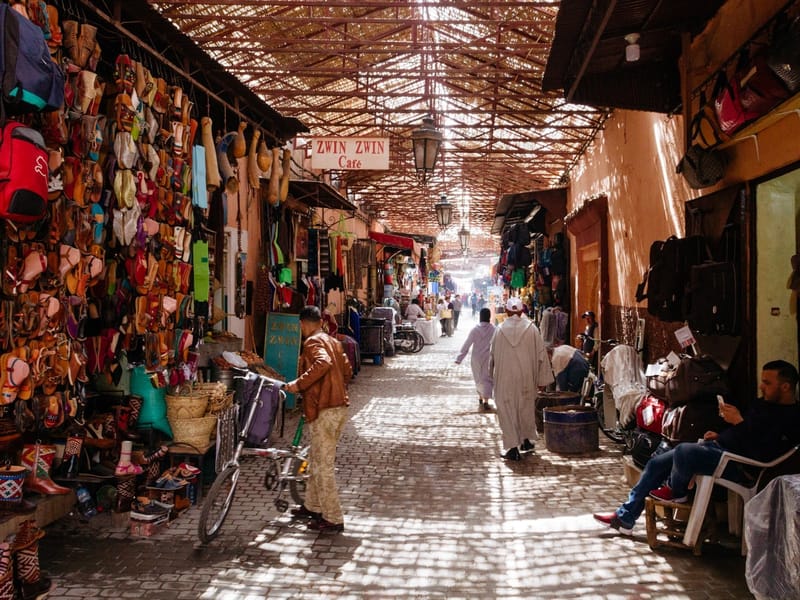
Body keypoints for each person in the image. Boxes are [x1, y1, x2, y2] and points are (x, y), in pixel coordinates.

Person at [593, 360, 800, 535]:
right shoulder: (763, 404)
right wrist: (722, 435)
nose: (762, 387)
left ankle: (677, 491)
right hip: (722, 450)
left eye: (767, 383)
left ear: (785, 387)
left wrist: (738, 422)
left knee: (684, 451)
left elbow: (763, 450)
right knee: (656, 462)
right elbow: (747, 433)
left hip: (740, 465)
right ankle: (625, 518)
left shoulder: (791, 418)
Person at [284, 306, 353, 533]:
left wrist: (299, 384)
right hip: (337, 407)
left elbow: (323, 364)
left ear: (304, 323)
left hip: (326, 409)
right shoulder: (332, 341)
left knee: (323, 466)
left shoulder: (313, 342)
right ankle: (312, 506)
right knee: (315, 459)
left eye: (300, 326)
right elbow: (347, 371)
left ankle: (333, 518)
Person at [490, 297, 554, 461]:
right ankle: (527, 440)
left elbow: (492, 357)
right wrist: (542, 380)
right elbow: (542, 356)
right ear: (520, 311)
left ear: (507, 312)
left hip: (505, 379)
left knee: (507, 411)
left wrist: (492, 376)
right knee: (525, 408)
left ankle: (512, 447)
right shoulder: (532, 329)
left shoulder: (499, 330)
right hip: (526, 378)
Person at [455, 308, 495, 411]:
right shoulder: (494, 329)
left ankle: (481, 397)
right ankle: (486, 399)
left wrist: (459, 358)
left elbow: (467, 344)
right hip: (488, 357)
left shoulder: (475, 329)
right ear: (489, 317)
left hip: (476, 358)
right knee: (487, 378)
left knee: (478, 378)